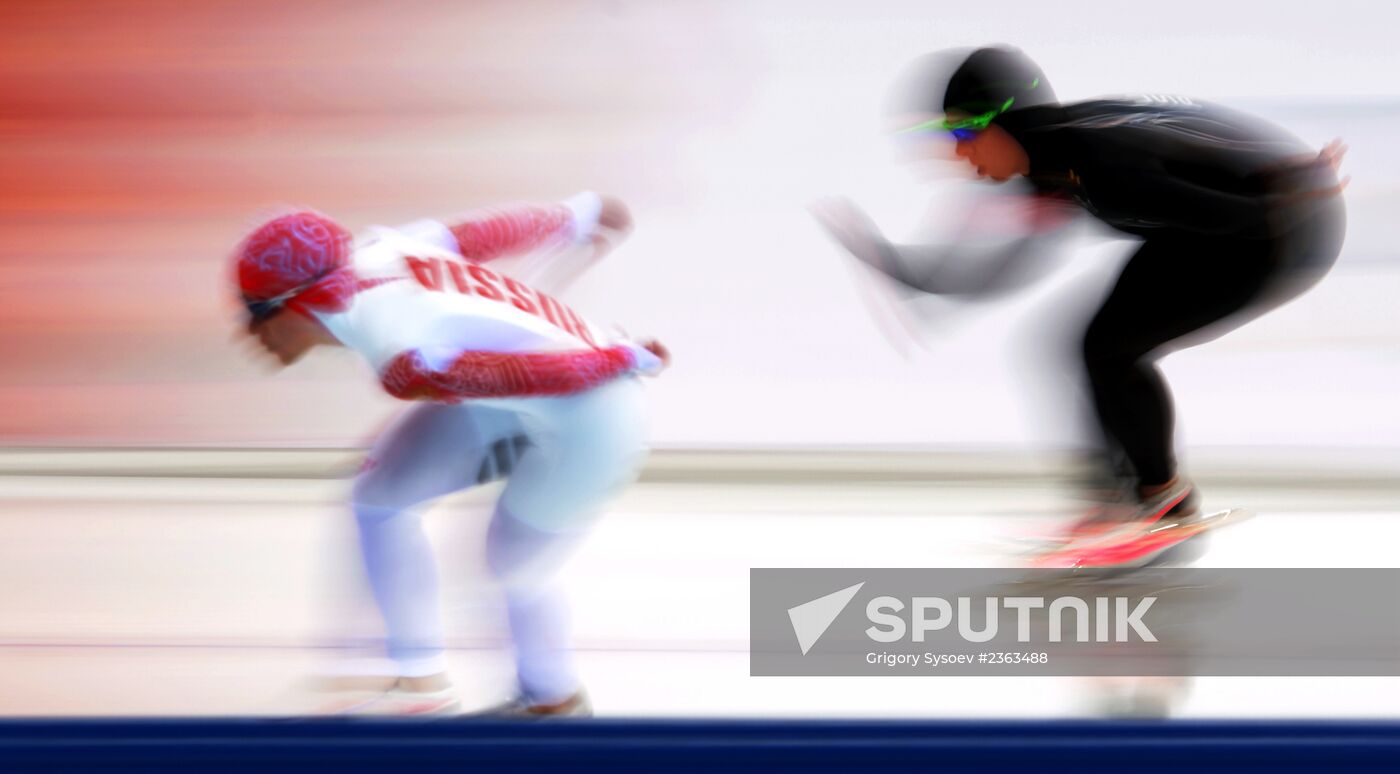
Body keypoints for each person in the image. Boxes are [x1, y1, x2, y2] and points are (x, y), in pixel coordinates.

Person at [813, 45, 1347, 567]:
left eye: (960, 133)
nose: (955, 153)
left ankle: (1156, 503)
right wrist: (904, 273)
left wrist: (1294, 193)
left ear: (1004, 123)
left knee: (1108, 348)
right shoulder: (1052, 162)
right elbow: (1007, 265)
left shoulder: (1101, 166)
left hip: (1279, 232)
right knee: (1094, 345)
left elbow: (1233, 216)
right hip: (1226, 224)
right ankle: (1129, 501)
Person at [233, 192, 668, 715]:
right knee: (380, 495)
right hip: (550, 386)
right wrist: (574, 215)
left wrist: (619, 359)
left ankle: (555, 701)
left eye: (254, 311)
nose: (247, 332)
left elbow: (519, 375)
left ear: (298, 306)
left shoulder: (400, 354)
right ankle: (422, 690)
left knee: (511, 566)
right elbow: (481, 234)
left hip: (599, 411)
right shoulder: (378, 248)